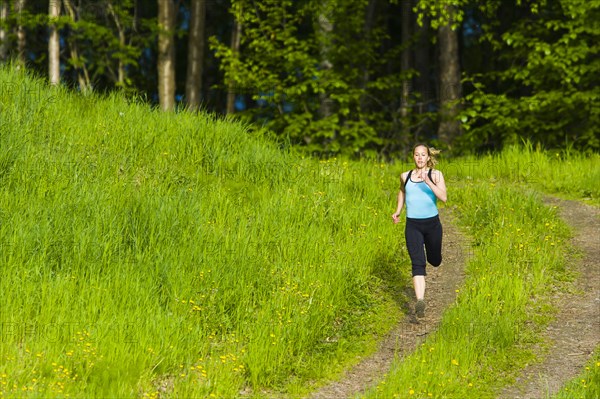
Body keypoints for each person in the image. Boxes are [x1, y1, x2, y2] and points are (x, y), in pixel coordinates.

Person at [391, 144, 447, 318]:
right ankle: (420, 300)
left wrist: (428, 181)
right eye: (417, 155)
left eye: (423, 155)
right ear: (413, 157)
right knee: (417, 262)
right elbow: (402, 191)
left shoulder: (436, 175)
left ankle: (434, 258)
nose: (420, 158)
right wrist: (398, 210)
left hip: (432, 226)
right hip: (413, 225)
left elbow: (444, 198)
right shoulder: (405, 176)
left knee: (435, 260)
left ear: (429, 157)